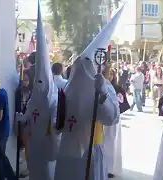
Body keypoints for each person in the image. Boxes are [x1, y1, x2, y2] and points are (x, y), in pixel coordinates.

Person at [54, 5, 123, 180]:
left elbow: (111, 118)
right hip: (67, 152)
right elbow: (57, 121)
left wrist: (103, 95)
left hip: (91, 150)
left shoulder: (102, 86)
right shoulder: (66, 90)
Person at [15, 3, 59, 180]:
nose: (39, 86)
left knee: (47, 173)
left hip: (47, 143)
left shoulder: (54, 97)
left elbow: (57, 120)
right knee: (35, 171)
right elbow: (28, 114)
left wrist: (57, 124)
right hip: (34, 141)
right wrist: (21, 117)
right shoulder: (35, 95)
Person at [103, 68, 130, 178]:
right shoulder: (98, 86)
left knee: (111, 143)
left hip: (112, 122)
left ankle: (110, 168)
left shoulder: (117, 88)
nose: (109, 76)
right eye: (106, 73)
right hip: (100, 121)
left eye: (111, 74)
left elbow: (123, 105)